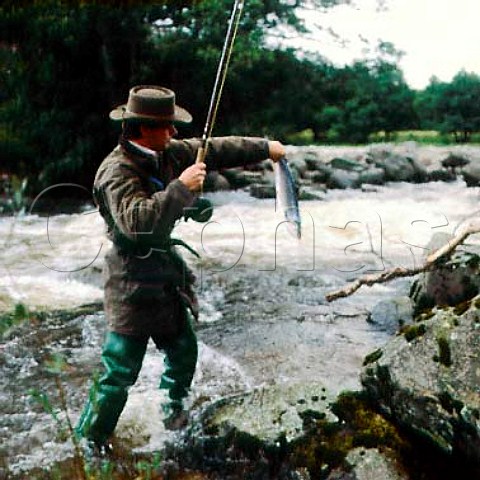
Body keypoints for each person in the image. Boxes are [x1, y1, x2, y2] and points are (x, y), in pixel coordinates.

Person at [75, 85, 286, 456]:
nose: (174, 134)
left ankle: (172, 422)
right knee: (118, 372)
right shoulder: (115, 170)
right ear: (141, 129)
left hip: (166, 275)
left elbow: (218, 148)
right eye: (167, 127)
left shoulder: (167, 151)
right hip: (131, 281)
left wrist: (265, 147)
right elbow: (136, 224)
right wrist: (181, 189)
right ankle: (89, 443)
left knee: (183, 353)